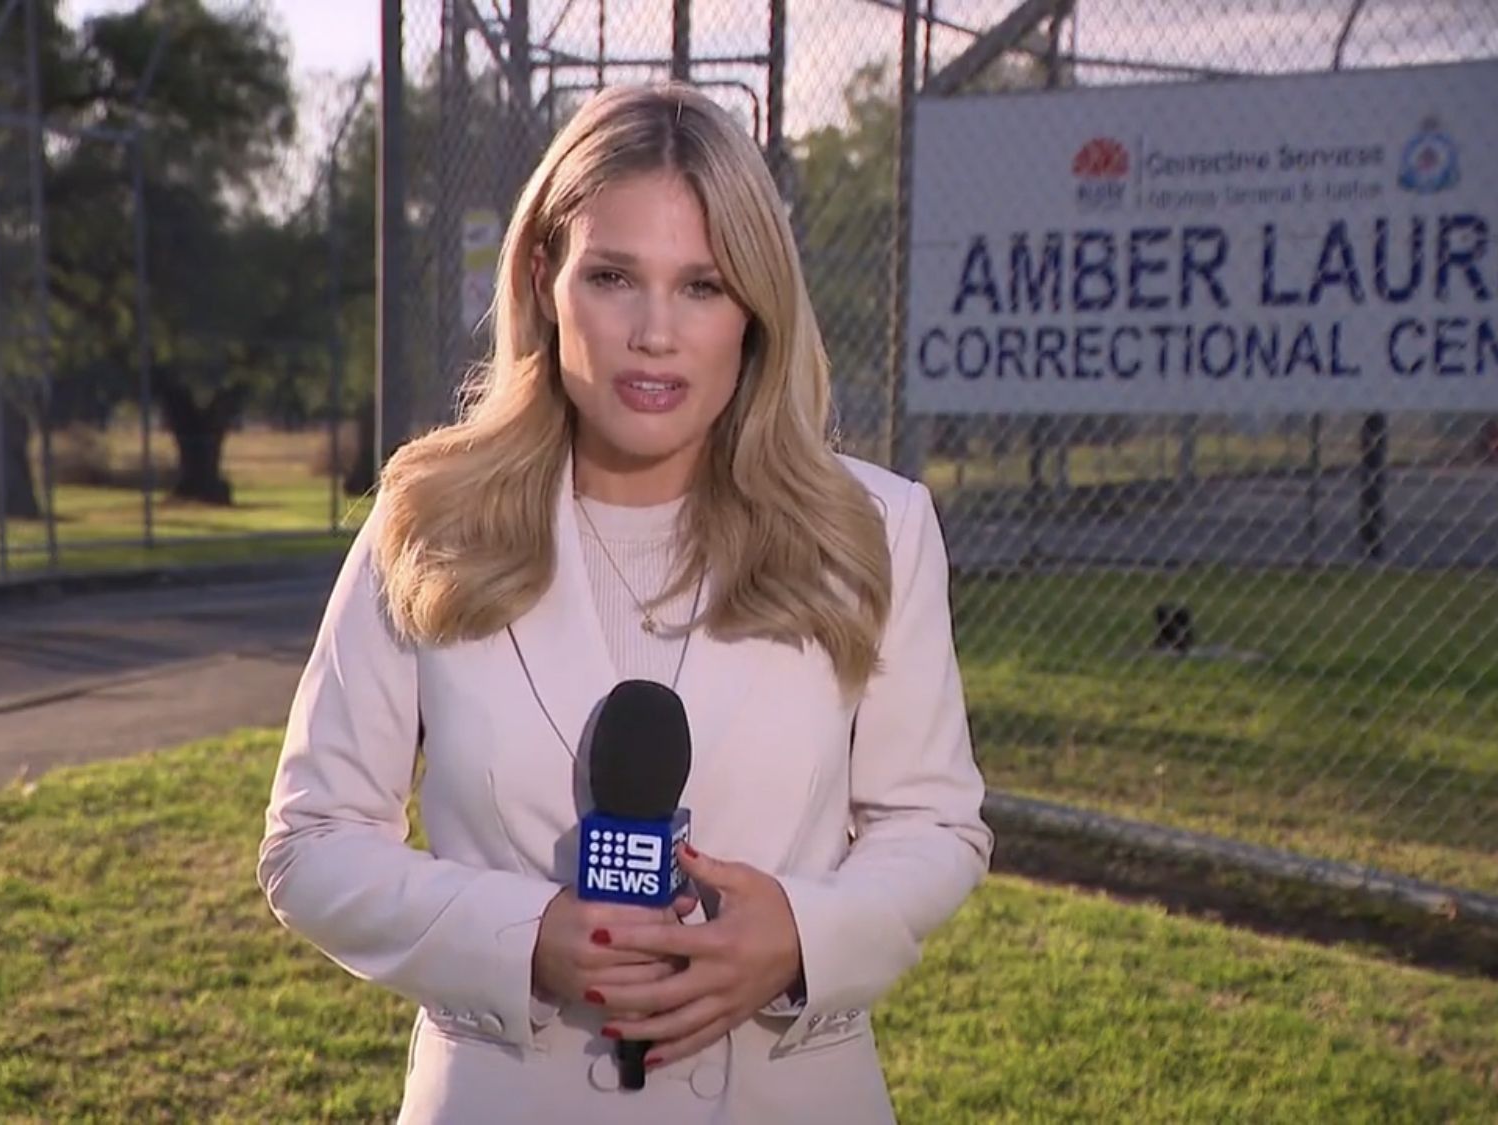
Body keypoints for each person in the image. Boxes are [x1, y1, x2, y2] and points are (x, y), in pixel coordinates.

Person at [256, 81, 992, 1124]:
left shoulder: (874, 527)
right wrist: (523, 940)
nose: (655, 332)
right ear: (544, 278)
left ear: (755, 308)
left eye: (702, 286)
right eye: (612, 276)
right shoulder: (429, 520)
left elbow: (932, 822)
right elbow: (312, 841)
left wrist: (798, 934)